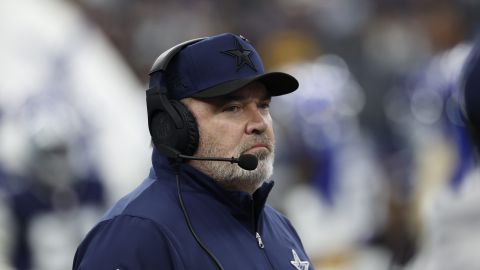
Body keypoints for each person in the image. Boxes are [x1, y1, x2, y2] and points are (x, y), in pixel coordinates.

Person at [73, 33, 313, 270]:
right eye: (232, 108)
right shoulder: (134, 236)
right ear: (172, 127)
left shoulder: (280, 229)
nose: (259, 123)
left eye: (263, 105)